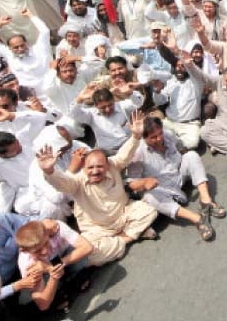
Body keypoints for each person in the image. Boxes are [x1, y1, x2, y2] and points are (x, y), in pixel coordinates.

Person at [37, 112, 159, 267]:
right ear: (84, 167)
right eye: (91, 167)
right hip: (98, 229)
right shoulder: (77, 181)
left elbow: (124, 155)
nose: (95, 171)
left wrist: (135, 136)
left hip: (123, 215)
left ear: (107, 164)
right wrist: (49, 171)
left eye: (100, 167)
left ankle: (120, 241)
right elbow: (61, 183)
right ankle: (131, 236)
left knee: (149, 211)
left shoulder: (113, 165)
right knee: (92, 254)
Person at [126, 116, 225, 241]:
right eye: (153, 137)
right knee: (149, 196)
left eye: (160, 133)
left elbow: (180, 146)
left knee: (192, 156)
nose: (159, 138)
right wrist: (144, 182)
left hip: (178, 173)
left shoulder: (167, 134)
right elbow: (130, 184)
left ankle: (206, 201)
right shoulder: (137, 154)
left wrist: (187, 163)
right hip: (162, 188)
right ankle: (198, 219)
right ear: (144, 138)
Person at [14, 219, 94, 312]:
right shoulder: (26, 263)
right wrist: (54, 276)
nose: (45, 251)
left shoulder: (56, 228)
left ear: (47, 233)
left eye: (46, 243)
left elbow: (88, 247)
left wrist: (53, 266)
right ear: (25, 251)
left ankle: (74, 277)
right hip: (48, 276)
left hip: (63, 259)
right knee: (42, 283)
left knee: (79, 255)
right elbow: (43, 304)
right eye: (37, 251)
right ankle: (58, 293)